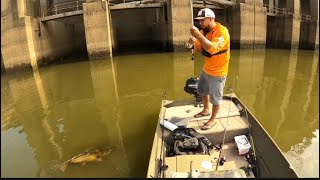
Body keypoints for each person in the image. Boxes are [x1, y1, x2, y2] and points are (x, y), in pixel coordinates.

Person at [188, 8, 230, 130]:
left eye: (202, 20)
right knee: (202, 90)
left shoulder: (222, 32)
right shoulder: (203, 32)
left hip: (218, 72)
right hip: (206, 69)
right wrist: (192, 43)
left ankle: (212, 119)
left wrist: (198, 35)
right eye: (199, 21)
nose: (200, 24)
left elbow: (212, 48)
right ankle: (206, 110)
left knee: (216, 99)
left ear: (211, 19)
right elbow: (195, 52)